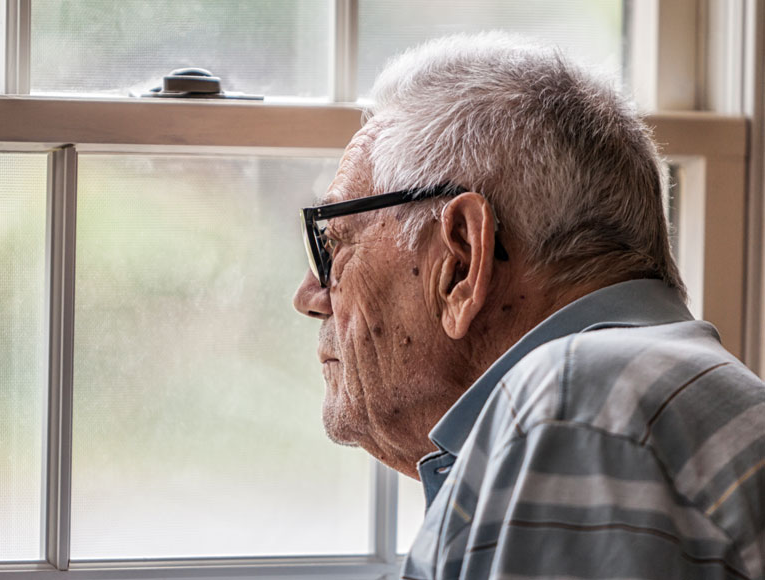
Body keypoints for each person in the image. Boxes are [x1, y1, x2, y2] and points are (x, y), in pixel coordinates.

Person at [293, 33, 765, 580]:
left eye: (333, 244)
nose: (309, 295)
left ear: (462, 260)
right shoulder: (629, 397)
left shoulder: (580, 407)